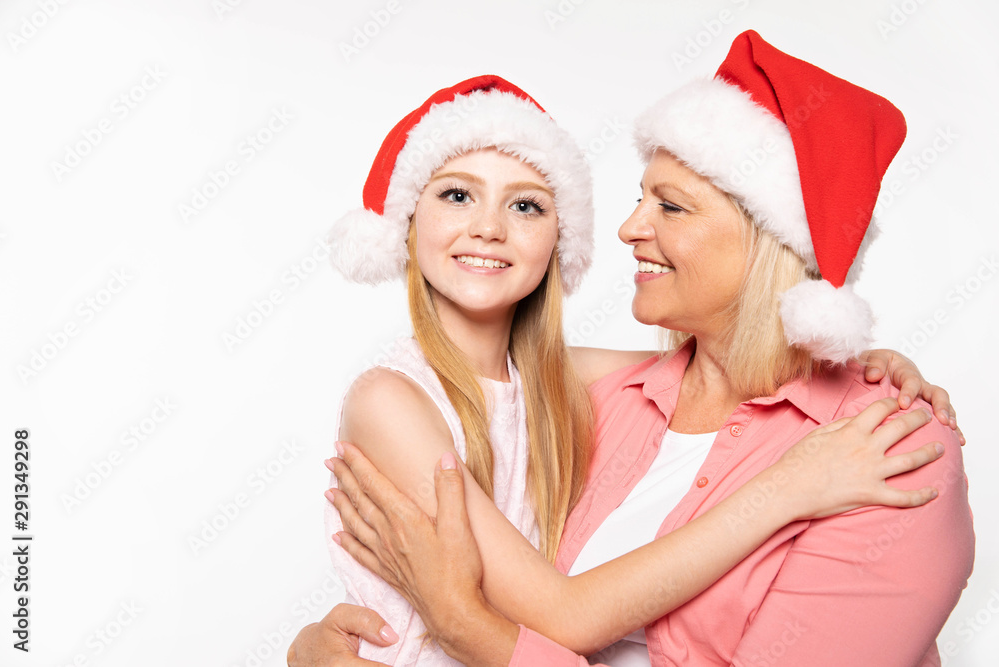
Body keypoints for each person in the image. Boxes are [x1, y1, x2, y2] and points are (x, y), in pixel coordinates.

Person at [302, 32, 974, 666]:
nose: (629, 228)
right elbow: (563, 613)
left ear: (771, 242)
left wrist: (872, 365)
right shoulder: (604, 400)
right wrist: (791, 485)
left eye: (672, 207)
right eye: (456, 195)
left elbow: (759, 369)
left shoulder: (880, 443)